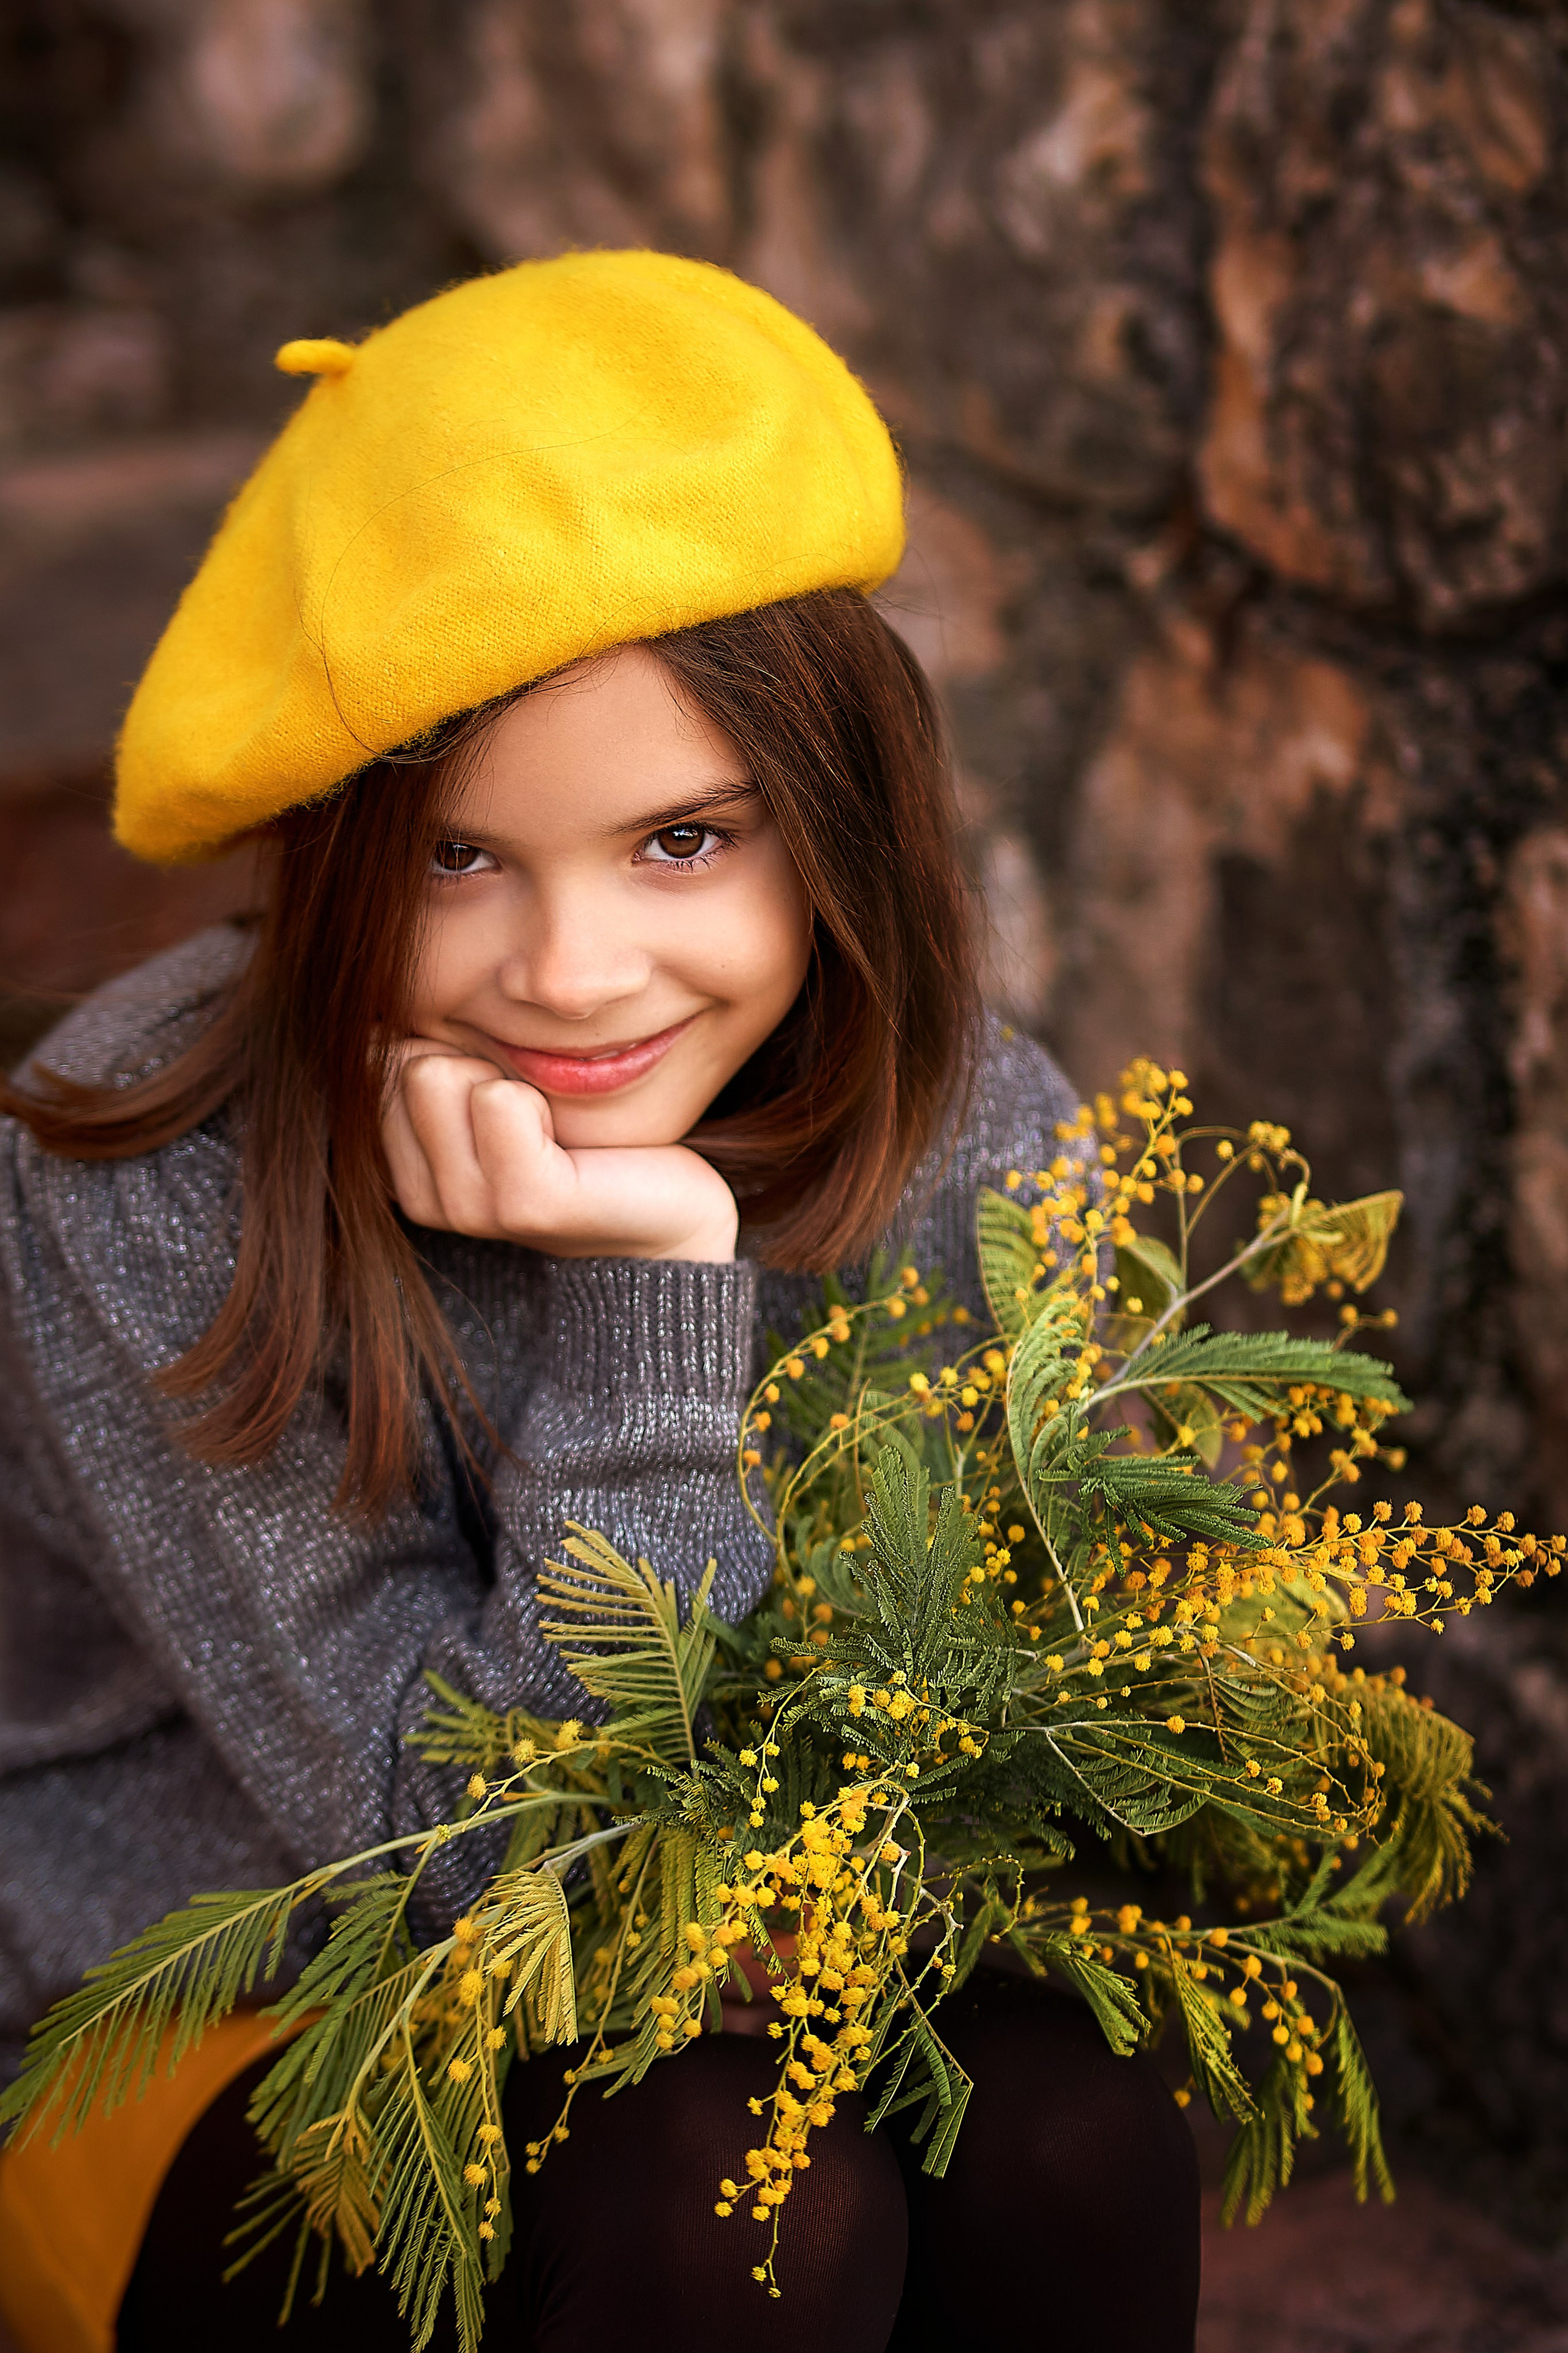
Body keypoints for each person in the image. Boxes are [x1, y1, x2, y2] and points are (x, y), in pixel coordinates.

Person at [0, 252, 1200, 2352]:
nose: (571, 975)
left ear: (834, 822)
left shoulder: (968, 1130)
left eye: (679, 840)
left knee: (1074, 2110)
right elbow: (462, 1872)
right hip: (203, 2015)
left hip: (731, 1973)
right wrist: (648, 1298)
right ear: (335, 848)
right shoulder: (147, 1158)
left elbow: (1082, 1757)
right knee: (737, 2192)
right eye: (464, 858)